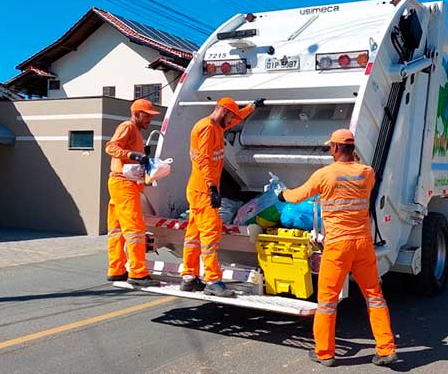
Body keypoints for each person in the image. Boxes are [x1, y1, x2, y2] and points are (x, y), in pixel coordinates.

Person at [278, 129, 397, 367]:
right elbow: (362, 178)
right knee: (374, 296)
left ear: (334, 148)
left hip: (338, 246)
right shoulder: (367, 172)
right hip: (362, 244)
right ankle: (386, 349)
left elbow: (298, 196)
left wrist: (282, 194)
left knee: (327, 300)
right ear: (352, 149)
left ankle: (325, 353)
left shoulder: (325, 174)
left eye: (330, 147)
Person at [180, 97, 264, 297]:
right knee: (210, 234)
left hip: (198, 188)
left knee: (194, 235)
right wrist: (212, 187)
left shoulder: (217, 126)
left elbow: (236, 119)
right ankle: (212, 280)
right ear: (224, 112)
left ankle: (189, 277)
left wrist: (251, 107)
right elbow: (204, 160)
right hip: (203, 189)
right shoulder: (207, 129)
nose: (232, 121)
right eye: (231, 117)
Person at [105, 99, 161, 287]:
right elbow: (111, 147)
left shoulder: (134, 130)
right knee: (135, 229)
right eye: (147, 116)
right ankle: (138, 274)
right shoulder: (127, 126)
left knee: (117, 229)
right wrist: (133, 155)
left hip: (120, 183)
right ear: (136, 114)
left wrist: (139, 156)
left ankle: (116, 269)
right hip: (124, 184)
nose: (150, 120)